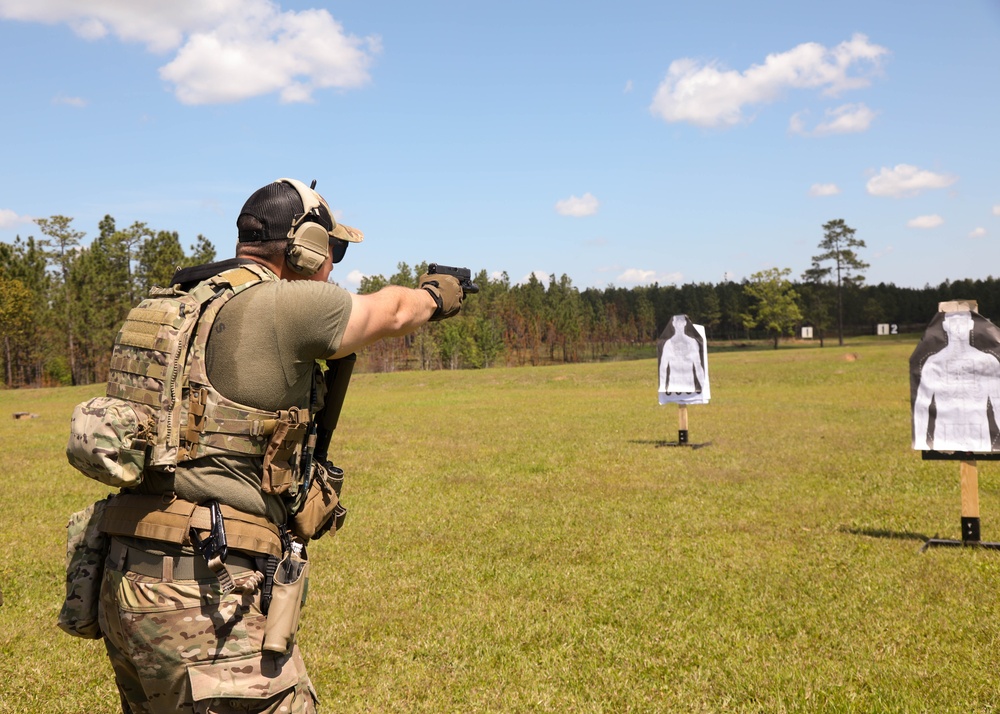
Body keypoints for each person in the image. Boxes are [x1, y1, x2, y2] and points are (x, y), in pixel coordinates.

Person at [94, 178, 466, 713]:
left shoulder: (174, 309)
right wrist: (438, 293)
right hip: (205, 591)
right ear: (306, 246)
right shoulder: (284, 305)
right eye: (333, 250)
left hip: (126, 577)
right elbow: (394, 312)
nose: (333, 264)